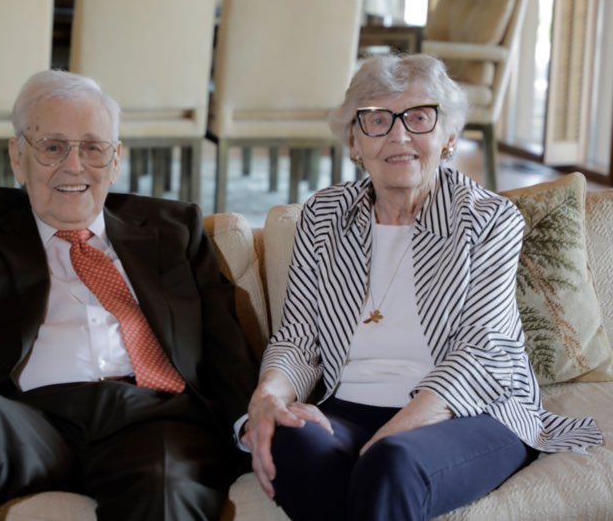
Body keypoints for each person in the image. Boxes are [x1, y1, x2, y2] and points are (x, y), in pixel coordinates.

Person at [0, 70, 257, 521]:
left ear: (116, 159)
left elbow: (224, 342)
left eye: (93, 148)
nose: (74, 166)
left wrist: (250, 421)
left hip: (154, 419)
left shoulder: (174, 230)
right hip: (26, 416)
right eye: (53, 147)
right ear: (17, 156)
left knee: (168, 483)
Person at [240, 54, 602, 520]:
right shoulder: (322, 216)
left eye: (418, 117)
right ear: (354, 139)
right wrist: (268, 399)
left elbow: (482, 352)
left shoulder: (488, 220)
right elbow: (297, 338)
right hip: (347, 408)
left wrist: (380, 442)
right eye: (376, 119)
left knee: (393, 463)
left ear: (448, 136)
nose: (399, 135)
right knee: (287, 437)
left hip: (467, 412)